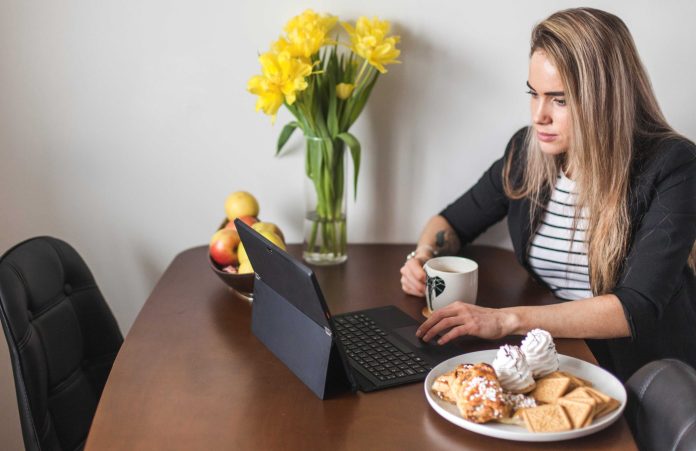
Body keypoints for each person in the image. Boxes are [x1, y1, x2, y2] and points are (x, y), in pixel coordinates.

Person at [401, 7, 696, 381]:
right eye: (534, 94)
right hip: (558, 357)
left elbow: (633, 308)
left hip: (645, 373)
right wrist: (424, 258)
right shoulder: (527, 154)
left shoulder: (673, 165)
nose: (539, 115)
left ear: (604, 98)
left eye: (559, 100)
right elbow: (452, 222)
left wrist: (507, 320)